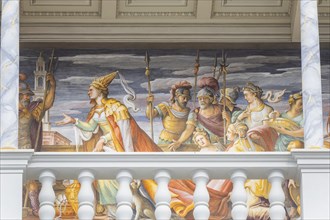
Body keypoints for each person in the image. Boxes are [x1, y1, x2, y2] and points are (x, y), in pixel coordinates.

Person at [56, 72, 162, 218]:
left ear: (101, 90)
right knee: (103, 179)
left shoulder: (117, 107)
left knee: (116, 178)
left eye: (91, 89)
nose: (88, 91)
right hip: (105, 148)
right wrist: (74, 121)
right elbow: (90, 128)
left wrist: (103, 140)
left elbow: (124, 132)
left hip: (119, 147)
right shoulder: (96, 111)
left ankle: (129, 211)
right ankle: (113, 212)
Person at [19, 72, 56, 216]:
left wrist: (52, 85)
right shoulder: (6, 111)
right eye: (25, 95)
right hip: (7, 151)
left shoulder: (31, 111)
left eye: (28, 95)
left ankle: (36, 210)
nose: (28, 98)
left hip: (25, 148)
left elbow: (47, 104)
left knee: (31, 183)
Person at [225, 122, 271, 220]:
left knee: (247, 212)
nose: (226, 134)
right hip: (262, 186)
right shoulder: (259, 148)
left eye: (228, 132)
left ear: (236, 133)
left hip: (249, 187)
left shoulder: (234, 149)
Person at [169, 77, 227, 151]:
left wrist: (228, 120)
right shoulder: (195, 113)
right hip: (205, 147)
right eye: (199, 98)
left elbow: (229, 127)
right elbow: (189, 129)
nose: (202, 100)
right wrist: (179, 142)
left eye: (205, 97)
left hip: (222, 145)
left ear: (211, 99)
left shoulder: (222, 109)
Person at [146, 81, 192, 149]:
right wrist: (149, 103)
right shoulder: (166, 107)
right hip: (167, 141)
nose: (186, 100)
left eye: (187, 98)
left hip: (183, 141)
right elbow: (150, 115)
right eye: (184, 97)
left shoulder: (189, 111)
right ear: (176, 96)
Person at [236, 82, 278, 151]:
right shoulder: (247, 109)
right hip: (248, 142)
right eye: (244, 95)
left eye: (246, 95)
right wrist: (239, 118)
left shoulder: (267, 110)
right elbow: (239, 127)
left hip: (262, 142)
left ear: (254, 94)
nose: (245, 98)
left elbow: (270, 131)